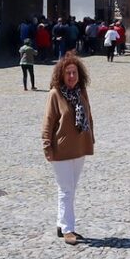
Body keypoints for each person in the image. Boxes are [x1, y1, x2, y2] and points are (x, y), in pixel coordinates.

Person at [41, 52, 94, 246]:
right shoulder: (55, 94)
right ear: (61, 75)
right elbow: (48, 122)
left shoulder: (81, 92)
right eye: (68, 73)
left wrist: (91, 139)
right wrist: (47, 146)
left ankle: (60, 223)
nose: (71, 76)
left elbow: (89, 117)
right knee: (66, 189)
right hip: (61, 150)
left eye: (74, 72)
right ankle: (68, 229)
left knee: (69, 188)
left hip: (79, 148)